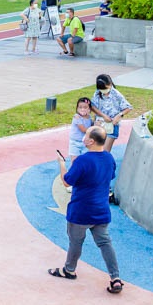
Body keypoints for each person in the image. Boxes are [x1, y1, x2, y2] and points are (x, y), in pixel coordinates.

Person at [47, 126, 123, 294]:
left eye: (86, 135)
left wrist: (61, 163)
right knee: (105, 243)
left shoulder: (82, 160)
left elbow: (67, 181)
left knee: (76, 242)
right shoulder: (109, 158)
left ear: (91, 141)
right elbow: (108, 177)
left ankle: (70, 269)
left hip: (81, 211)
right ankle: (115, 277)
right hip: (101, 211)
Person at [90, 74, 131, 155]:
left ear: (110, 84)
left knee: (105, 152)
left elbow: (128, 107)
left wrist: (119, 115)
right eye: (101, 89)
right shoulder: (97, 93)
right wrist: (103, 115)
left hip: (112, 125)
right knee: (95, 150)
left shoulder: (116, 94)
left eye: (105, 88)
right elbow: (92, 106)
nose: (103, 91)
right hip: (100, 123)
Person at [68, 97, 93, 162]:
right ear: (77, 108)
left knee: (85, 161)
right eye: (80, 107)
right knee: (74, 162)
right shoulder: (77, 117)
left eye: (85, 107)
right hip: (75, 143)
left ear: (89, 109)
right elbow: (83, 130)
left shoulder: (89, 118)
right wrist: (95, 126)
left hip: (85, 143)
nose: (82, 109)